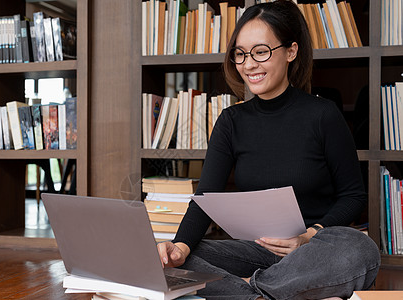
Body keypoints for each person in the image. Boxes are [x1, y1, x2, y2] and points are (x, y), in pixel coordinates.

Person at [156, 1, 381, 299]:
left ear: (291, 52)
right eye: (240, 53)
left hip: (314, 249)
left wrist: (308, 235)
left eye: (261, 52)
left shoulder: (323, 115)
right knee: (169, 258)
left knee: (360, 248)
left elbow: (353, 196)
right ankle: (268, 293)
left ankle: (250, 291)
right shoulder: (231, 122)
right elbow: (203, 200)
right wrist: (180, 247)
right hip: (253, 250)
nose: (249, 64)